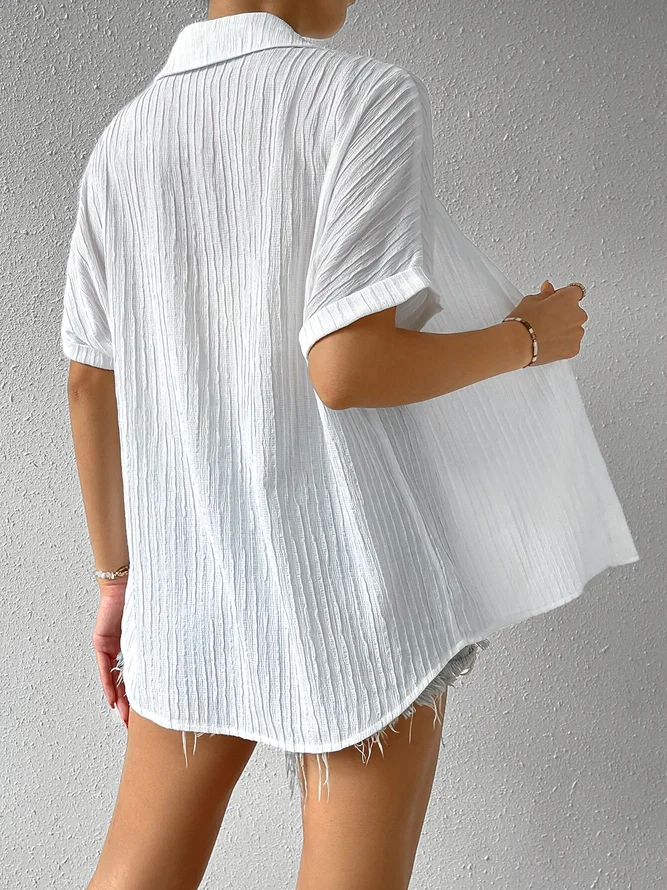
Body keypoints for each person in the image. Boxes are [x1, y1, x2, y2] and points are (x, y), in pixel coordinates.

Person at [60, 2, 639, 888]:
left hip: (187, 583)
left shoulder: (124, 140)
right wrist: (529, 337)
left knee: (135, 872)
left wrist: (116, 584)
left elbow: (88, 381)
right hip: (352, 584)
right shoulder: (362, 95)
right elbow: (345, 367)